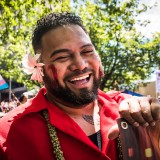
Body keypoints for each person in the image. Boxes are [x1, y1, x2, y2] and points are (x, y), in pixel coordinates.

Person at [0, 12, 160, 160]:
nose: (80, 64)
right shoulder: (8, 134)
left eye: (87, 51)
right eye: (62, 57)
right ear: (39, 69)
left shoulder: (136, 111)